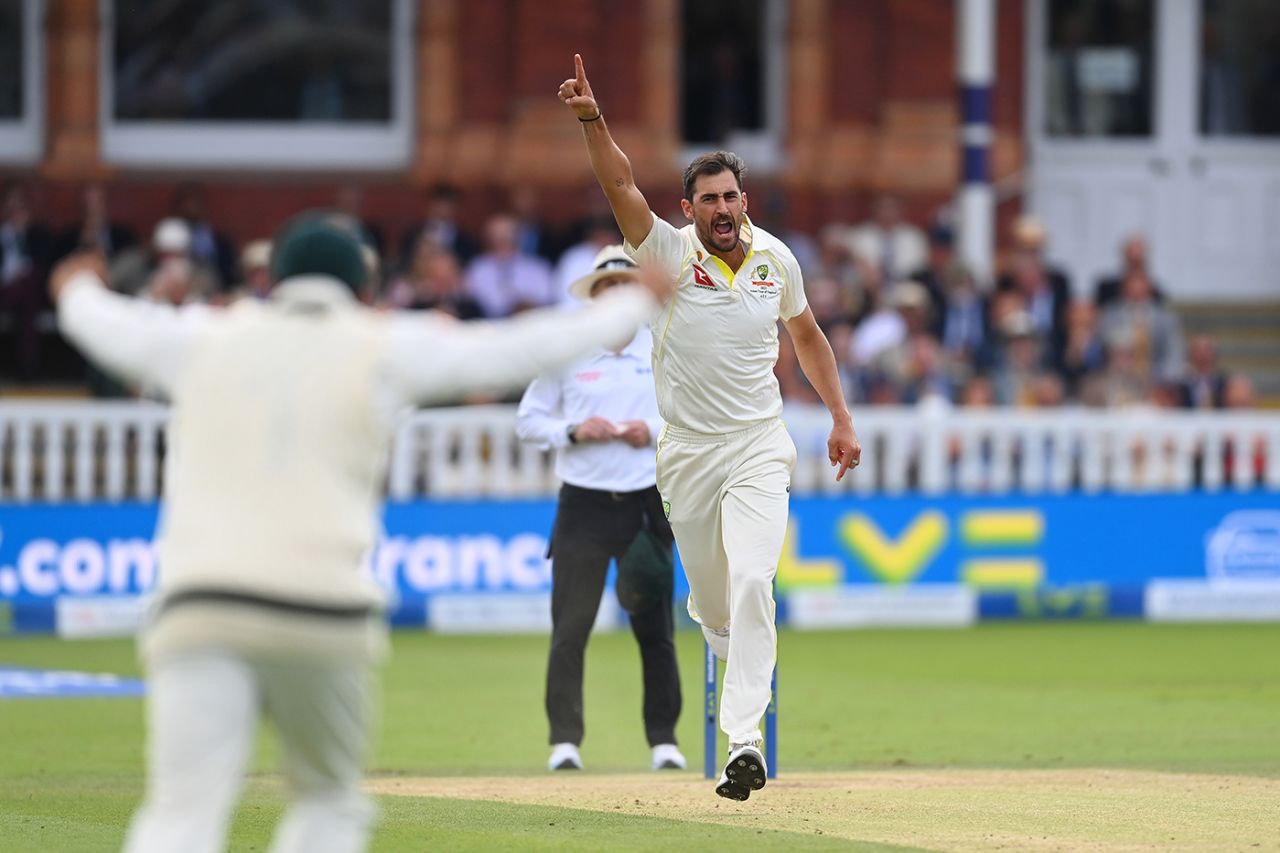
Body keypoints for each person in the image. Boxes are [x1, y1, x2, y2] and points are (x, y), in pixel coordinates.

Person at [49, 212, 669, 853]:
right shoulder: (385, 343)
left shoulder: (202, 335)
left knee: (181, 814)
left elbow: (102, 322)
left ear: (276, 277)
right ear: (361, 286)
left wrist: (74, 287)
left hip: (197, 604)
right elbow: (519, 347)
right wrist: (635, 301)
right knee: (327, 806)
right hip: (323, 608)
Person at [559, 54, 861, 801]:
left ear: (744, 199)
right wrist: (593, 120)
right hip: (688, 453)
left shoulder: (776, 259)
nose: (723, 210)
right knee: (718, 609)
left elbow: (811, 338)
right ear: (688, 208)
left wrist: (841, 416)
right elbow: (620, 184)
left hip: (760, 444)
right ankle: (732, 668)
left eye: (731, 196)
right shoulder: (665, 250)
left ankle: (744, 743)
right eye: (709, 200)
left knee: (758, 579)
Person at [516, 245, 684, 774]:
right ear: (594, 299)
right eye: (607, 291)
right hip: (584, 503)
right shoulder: (568, 354)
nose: (616, 300)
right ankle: (564, 741)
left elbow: (687, 417)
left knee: (654, 629)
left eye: (624, 290)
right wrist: (573, 429)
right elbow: (528, 421)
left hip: (643, 503)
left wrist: (649, 432)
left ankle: (664, 741)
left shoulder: (661, 351)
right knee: (571, 627)